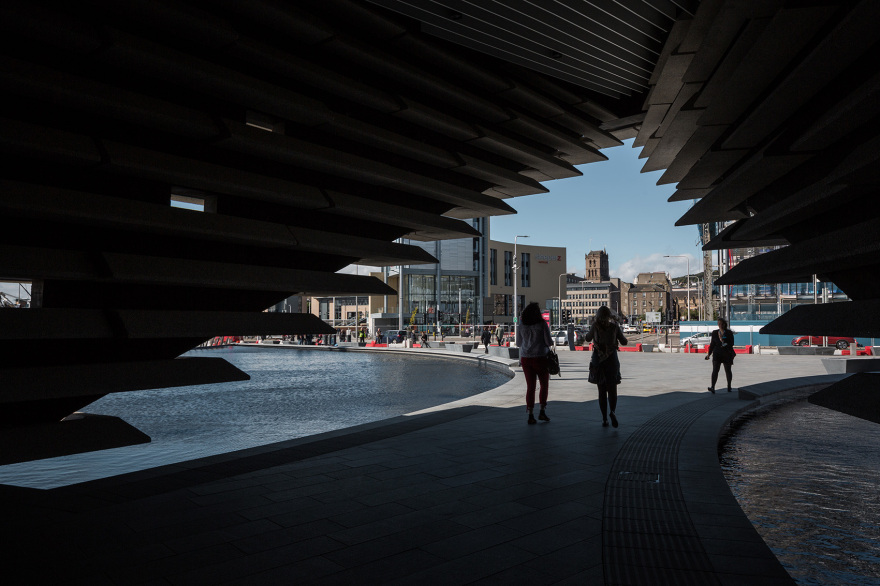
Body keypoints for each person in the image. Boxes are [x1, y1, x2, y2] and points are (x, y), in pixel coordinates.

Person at [585, 306, 627, 428]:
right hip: (612, 360)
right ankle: (612, 412)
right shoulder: (614, 327)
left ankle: (604, 419)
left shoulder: (595, 326)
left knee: (601, 391)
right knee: (612, 389)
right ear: (609, 315)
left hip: (598, 360)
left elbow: (587, 338)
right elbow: (624, 342)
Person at [516, 302, 553, 424]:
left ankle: (530, 414)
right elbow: (549, 342)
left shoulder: (521, 326)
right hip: (540, 357)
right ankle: (542, 411)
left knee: (530, 387)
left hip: (526, 358)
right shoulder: (542, 324)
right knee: (544, 385)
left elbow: (518, 343)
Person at [706, 318, 735, 393]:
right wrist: (709, 354)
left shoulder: (729, 333)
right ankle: (712, 387)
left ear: (725, 324)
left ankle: (729, 386)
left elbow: (732, 343)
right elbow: (712, 344)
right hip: (717, 354)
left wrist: (723, 340)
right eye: (719, 324)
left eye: (722, 324)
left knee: (728, 370)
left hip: (727, 354)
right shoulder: (715, 333)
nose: (720, 325)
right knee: (715, 370)